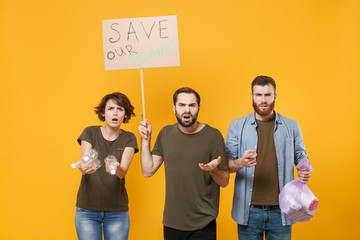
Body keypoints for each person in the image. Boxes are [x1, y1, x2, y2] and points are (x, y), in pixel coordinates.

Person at [225, 76, 311, 240]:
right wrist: (240, 163)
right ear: (251, 96)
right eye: (258, 95)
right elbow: (227, 165)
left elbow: (301, 156)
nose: (263, 100)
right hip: (248, 211)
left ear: (275, 96)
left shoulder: (292, 126)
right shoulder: (236, 126)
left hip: (282, 210)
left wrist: (304, 169)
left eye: (267, 95)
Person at [138, 87, 229, 240]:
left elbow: (225, 181)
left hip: (203, 224)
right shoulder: (165, 133)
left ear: (198, 108)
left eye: (192, 105)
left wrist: (213, 170)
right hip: (172, 223)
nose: (187, 110)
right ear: (174, 108)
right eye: (181, 105)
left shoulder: (213, 136)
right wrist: (145, 139)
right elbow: (148, 170)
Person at [74, 92, 138, 240]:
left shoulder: (129, 138)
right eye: (110, 109)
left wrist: (117, 167)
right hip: (87, 211)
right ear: (103, 113)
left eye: (120, 109)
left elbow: (122, 173)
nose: (115, 113)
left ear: (125, 115)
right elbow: (84, 163)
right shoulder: (90, 132)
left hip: (117, 212)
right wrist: (83, 168)